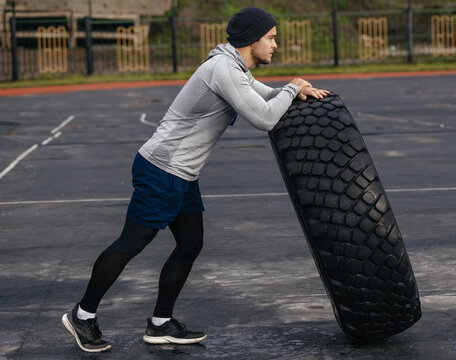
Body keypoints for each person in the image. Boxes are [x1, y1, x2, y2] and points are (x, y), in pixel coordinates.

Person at [62, 6, 329, 353]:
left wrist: (294, 89)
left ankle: (160, 324)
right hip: (161, 168)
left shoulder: (235, 68)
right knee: (131, 243)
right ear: (252, 40)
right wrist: (293, 88)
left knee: (190, 243)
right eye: (271, 38)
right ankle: (82, 315)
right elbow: (265, 118)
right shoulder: (223, 70)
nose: (275, 45)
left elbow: (266, 95)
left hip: (182, 174)